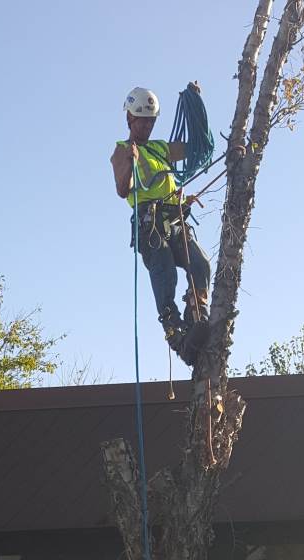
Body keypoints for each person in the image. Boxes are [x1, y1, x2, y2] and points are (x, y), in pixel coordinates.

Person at [110, 86, 212, 367]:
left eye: (151, 121)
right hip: (150, 223)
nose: (147, 125)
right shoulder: (122, 151)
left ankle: (197, 317)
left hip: (174, 217)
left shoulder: (158, 149)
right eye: (142, 120)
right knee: (164, 268)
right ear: (130, 118)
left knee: (201, 264)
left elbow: (196, 148)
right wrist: (130, 163)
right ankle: (176, 334)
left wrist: (195, 104)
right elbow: (122, 189)